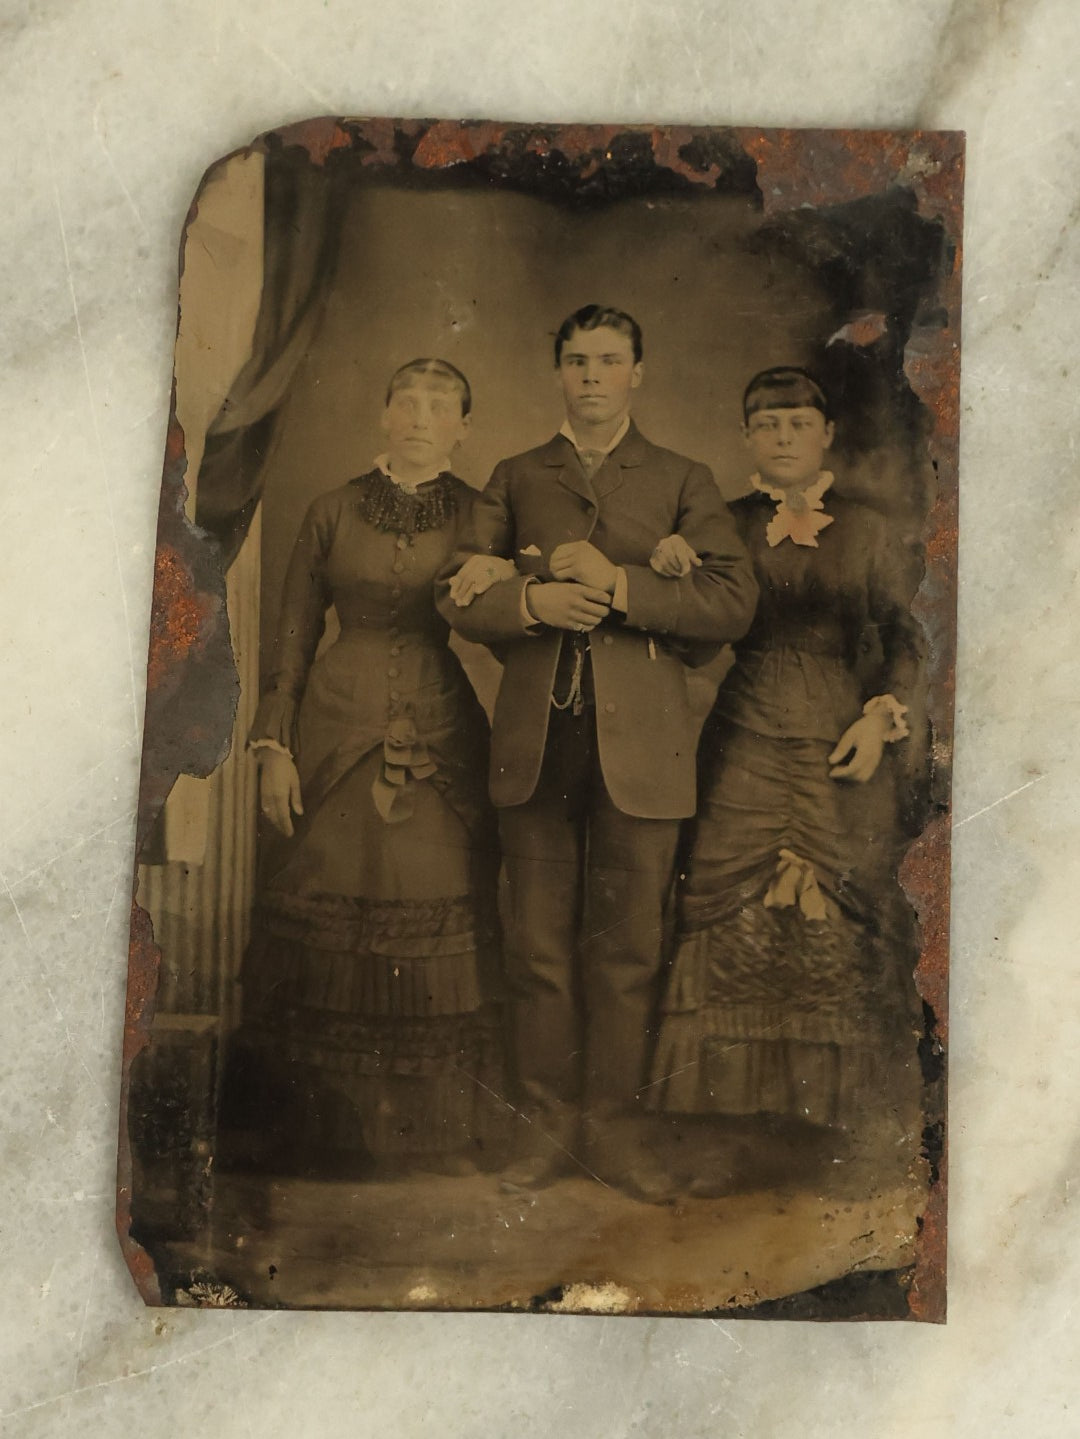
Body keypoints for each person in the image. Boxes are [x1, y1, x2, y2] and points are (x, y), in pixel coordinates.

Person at [437, 305, 757, 1202]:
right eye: (576, 361)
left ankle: (615, 1134)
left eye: (608, 361)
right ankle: (542, 1135)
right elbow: (456, 593)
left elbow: (732, 604)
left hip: (644, 755)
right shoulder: (514, 474)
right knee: (536, 948)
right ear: (558, 373)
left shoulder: (682, 478)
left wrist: (620, 587)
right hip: (537, 747)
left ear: (637, 374)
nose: (590, 377)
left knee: (626, 951)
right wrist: (533, 605)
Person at [649, 367, 924, 1191]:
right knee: (726, 907)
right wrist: (674, 566)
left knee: (840, 912)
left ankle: (835, 1140)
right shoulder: (723, 524)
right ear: (746, 439)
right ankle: (725, 1136)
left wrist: (881, 718)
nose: (781, 436)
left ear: (826, 433)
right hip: (743, 737)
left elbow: (911, 639)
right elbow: (696, 626)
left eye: (797, 422)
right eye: (765, 424)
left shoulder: (871, 531)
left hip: (843, 737)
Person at [233, 358, 502, 1177]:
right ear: (384, 414)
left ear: (462, 426)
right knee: (328, 907)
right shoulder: (332, 509)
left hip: (440, 728)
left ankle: (430, 1137)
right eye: (407, 400)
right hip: (334, 726)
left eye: (441, 404)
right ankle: (320, 1133)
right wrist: (275, 746)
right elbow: (289, 641)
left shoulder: (479, 514)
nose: (421, 415)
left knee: (434, 911)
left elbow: (502, 608)